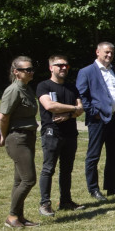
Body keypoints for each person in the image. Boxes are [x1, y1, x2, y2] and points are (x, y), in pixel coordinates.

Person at [77, 42, 115, 201]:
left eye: (112, 53)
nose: (109, 55)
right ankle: (94, 189)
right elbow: (82, 95)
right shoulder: (86, 72)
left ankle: (111, 187)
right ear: (97, 52)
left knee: (114, 156)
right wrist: (94, 113)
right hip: (98, 121)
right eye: (106, 52)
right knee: (94, 156)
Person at [36, 54, 84, 216]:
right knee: (48, 168)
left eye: (66, 65)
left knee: (67, 169)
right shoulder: (43, 86)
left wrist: (69, 115)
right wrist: (72, 109)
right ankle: (45, 203)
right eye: (59, 65)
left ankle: (66, 201)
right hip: (52, 133)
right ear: (51, 68)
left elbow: (81, 108)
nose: (64, 68)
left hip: (70, 133)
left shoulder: (72, 87)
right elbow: (50, 106)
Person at [0, 57, 40, 228]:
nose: (30, 72)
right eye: (26, 69)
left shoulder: (26, 88)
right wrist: (3, 135)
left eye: (31, 69)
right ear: (16, 72)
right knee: (29, 179)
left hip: (28, 136)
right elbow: (3, 116)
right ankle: (12, 216)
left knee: (19, 180)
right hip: (17, 138)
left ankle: (19, 217)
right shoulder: (13, 90)